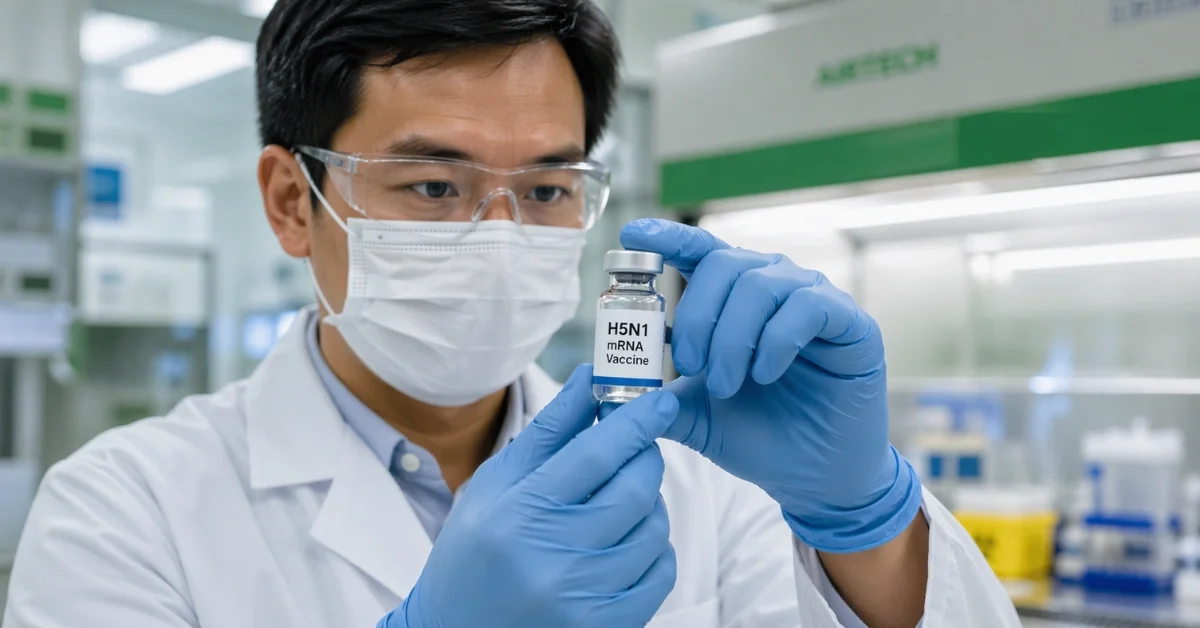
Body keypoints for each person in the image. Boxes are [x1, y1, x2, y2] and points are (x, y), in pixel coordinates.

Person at [3, 1, 1021, 627]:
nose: (498, 234)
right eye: (434, 187)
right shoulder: (122, 512)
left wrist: (863, 522)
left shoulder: (701, 487)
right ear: (288, 202)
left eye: (545, 190)